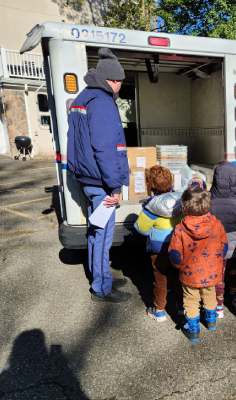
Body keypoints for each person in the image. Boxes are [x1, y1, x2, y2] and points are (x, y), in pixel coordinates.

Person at [67, 48, 131, 303]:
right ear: (113, 79)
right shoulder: (103, 101)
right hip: (101, 181)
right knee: (102, 236)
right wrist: (115, 186)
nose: (121, 86)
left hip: (88, 178)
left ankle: (101, 276)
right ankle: (102, 288)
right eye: (121, 81)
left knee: (96, 232)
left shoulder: (83, 96)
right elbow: (105, 149)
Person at [169, 186, 228, 342]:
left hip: (190, 274)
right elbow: (224, 246)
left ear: (183, 208)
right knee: (210, 294)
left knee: (190, 300)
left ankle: (193, 329)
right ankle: (211, 321)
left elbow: (175, 254)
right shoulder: (217, 224)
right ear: (208, 205)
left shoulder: (180, 229)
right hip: (212, 271)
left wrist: (179, 266)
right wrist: (218, 262)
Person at [134, 165, 184, 322]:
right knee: (179, 279)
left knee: (160, 282)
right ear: (171, 182)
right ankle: (182, 307)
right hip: (179, 249)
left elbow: (141, 229)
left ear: (150, 186)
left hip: (159, 251)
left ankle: (159, 311)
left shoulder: (150, 208)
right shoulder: (181, 202)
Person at [209, 162, 236, 317]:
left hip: (214, 247)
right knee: (235, 273)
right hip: (234, 246)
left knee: (218, 276)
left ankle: (219, 307)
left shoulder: (208, 202)